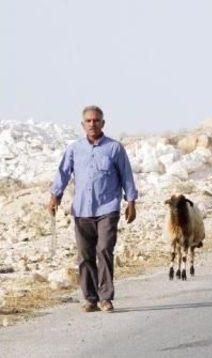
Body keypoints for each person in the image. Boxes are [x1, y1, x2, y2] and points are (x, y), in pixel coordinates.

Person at [48, 105, 138, 313]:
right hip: (81, 210)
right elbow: (63, 173)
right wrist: (55, 196)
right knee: (85, 255)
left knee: (104, 249)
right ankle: (90, 298)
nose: (92, 124)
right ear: (82, 125)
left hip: (108, 208)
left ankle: (106, 297)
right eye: (88, 121)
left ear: (103, 123)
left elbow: (126, 176)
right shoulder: (74, 149)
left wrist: (131, 201)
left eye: (96, 120)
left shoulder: (115, 148)